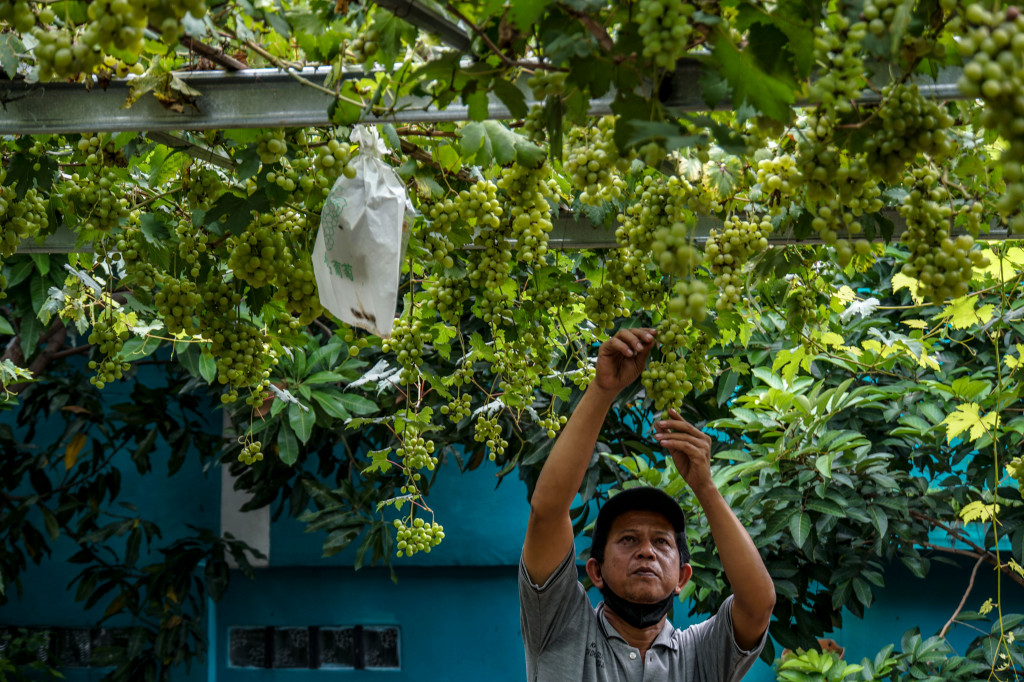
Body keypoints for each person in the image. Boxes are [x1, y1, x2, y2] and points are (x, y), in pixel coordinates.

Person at [520, 325, 775, 681]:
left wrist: (706, 488)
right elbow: (547, 512)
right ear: (595, 572)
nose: (646, 552)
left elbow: (758, 605)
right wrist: (603, 389)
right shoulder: (561, 627)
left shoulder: (700, 654)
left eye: (661, 542)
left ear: (683, 576)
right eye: (628, 539)